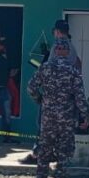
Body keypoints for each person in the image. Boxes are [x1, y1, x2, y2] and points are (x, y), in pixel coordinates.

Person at [27, 38, 89, 178]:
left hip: (48, 118)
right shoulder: (73, 71)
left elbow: (31, 88)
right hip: (66, 119)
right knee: (64, 152)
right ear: (67, 52)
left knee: (44, 150)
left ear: (55, 51)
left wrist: (40, 100)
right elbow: (80, 97)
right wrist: (84, 116)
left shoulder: (44, 68)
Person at [19, 19, 82, 164]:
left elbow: (47, 71)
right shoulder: (72, 49)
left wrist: (39, 97)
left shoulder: (57, 48)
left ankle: (37, 155)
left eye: (55, 31)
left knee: (42, 127)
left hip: (52, 98)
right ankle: (53, 157)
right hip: (66, 101)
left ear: (58, 32)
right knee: (60, 132)